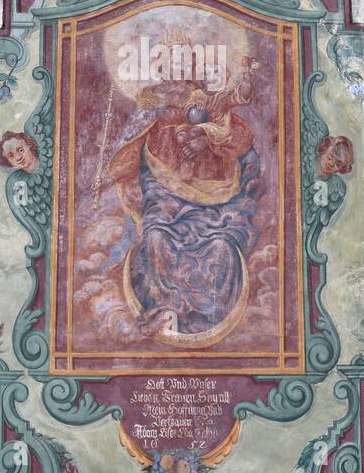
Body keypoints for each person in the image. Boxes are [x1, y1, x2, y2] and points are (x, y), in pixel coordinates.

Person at [106, 57, 261, 339]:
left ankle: (204, 316)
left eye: (181, 63)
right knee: (155, 240)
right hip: (163, 195)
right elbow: (130, 147)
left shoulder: (206, 100)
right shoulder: (150, 105)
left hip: (211, 200)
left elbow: (239, 133)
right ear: (161, 68)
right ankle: (167, 309)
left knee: (221, 246)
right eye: (169, 64)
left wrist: (208, 139)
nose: (176, 70)